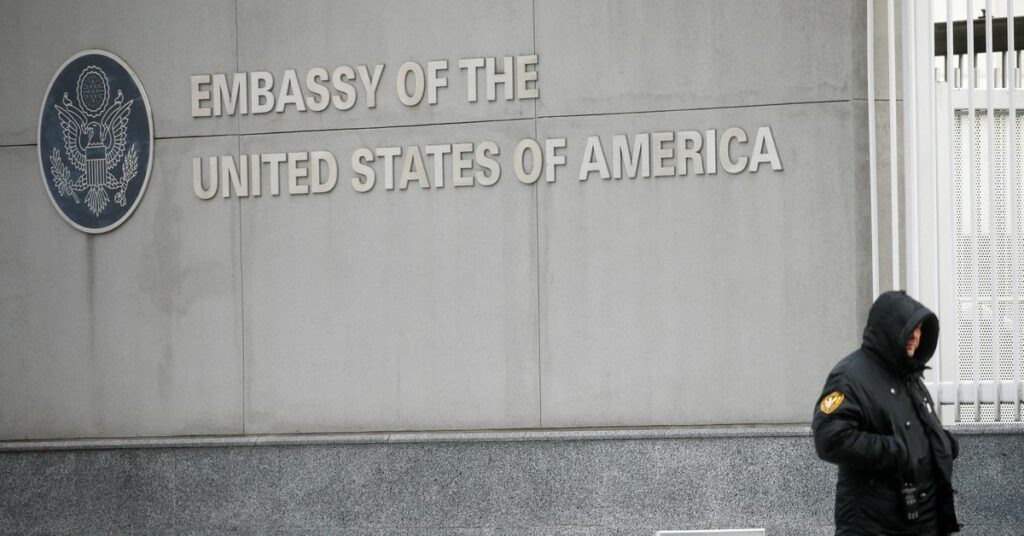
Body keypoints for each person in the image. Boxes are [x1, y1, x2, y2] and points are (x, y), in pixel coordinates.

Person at [812, 290, 960, 535]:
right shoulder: (850, 376)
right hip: (873, 524)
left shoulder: (909, 377)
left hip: (920, 520)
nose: (915, 335)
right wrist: (900, 451)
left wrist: (940, 443)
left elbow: (913, 430)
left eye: (920, 328)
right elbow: (830, 438)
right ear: (888, 330)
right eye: (908, 328)